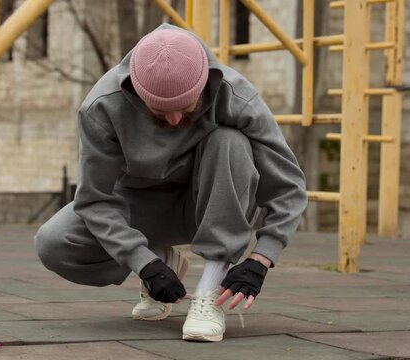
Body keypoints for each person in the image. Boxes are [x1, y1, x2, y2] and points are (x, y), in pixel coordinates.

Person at [34, 23, 307, 342]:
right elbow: (95, 200)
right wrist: (144, 262)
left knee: (229, 141)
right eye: (160, 112)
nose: (175, 121)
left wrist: (262, 257)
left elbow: (288, 185)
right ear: (135, 92)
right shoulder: (102, 106)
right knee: (54, 243)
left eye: (186, 107)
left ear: (205, 83)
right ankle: (162, 259)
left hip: (209, 202)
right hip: (138, 207)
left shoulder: (236, 95)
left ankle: (209, 291)